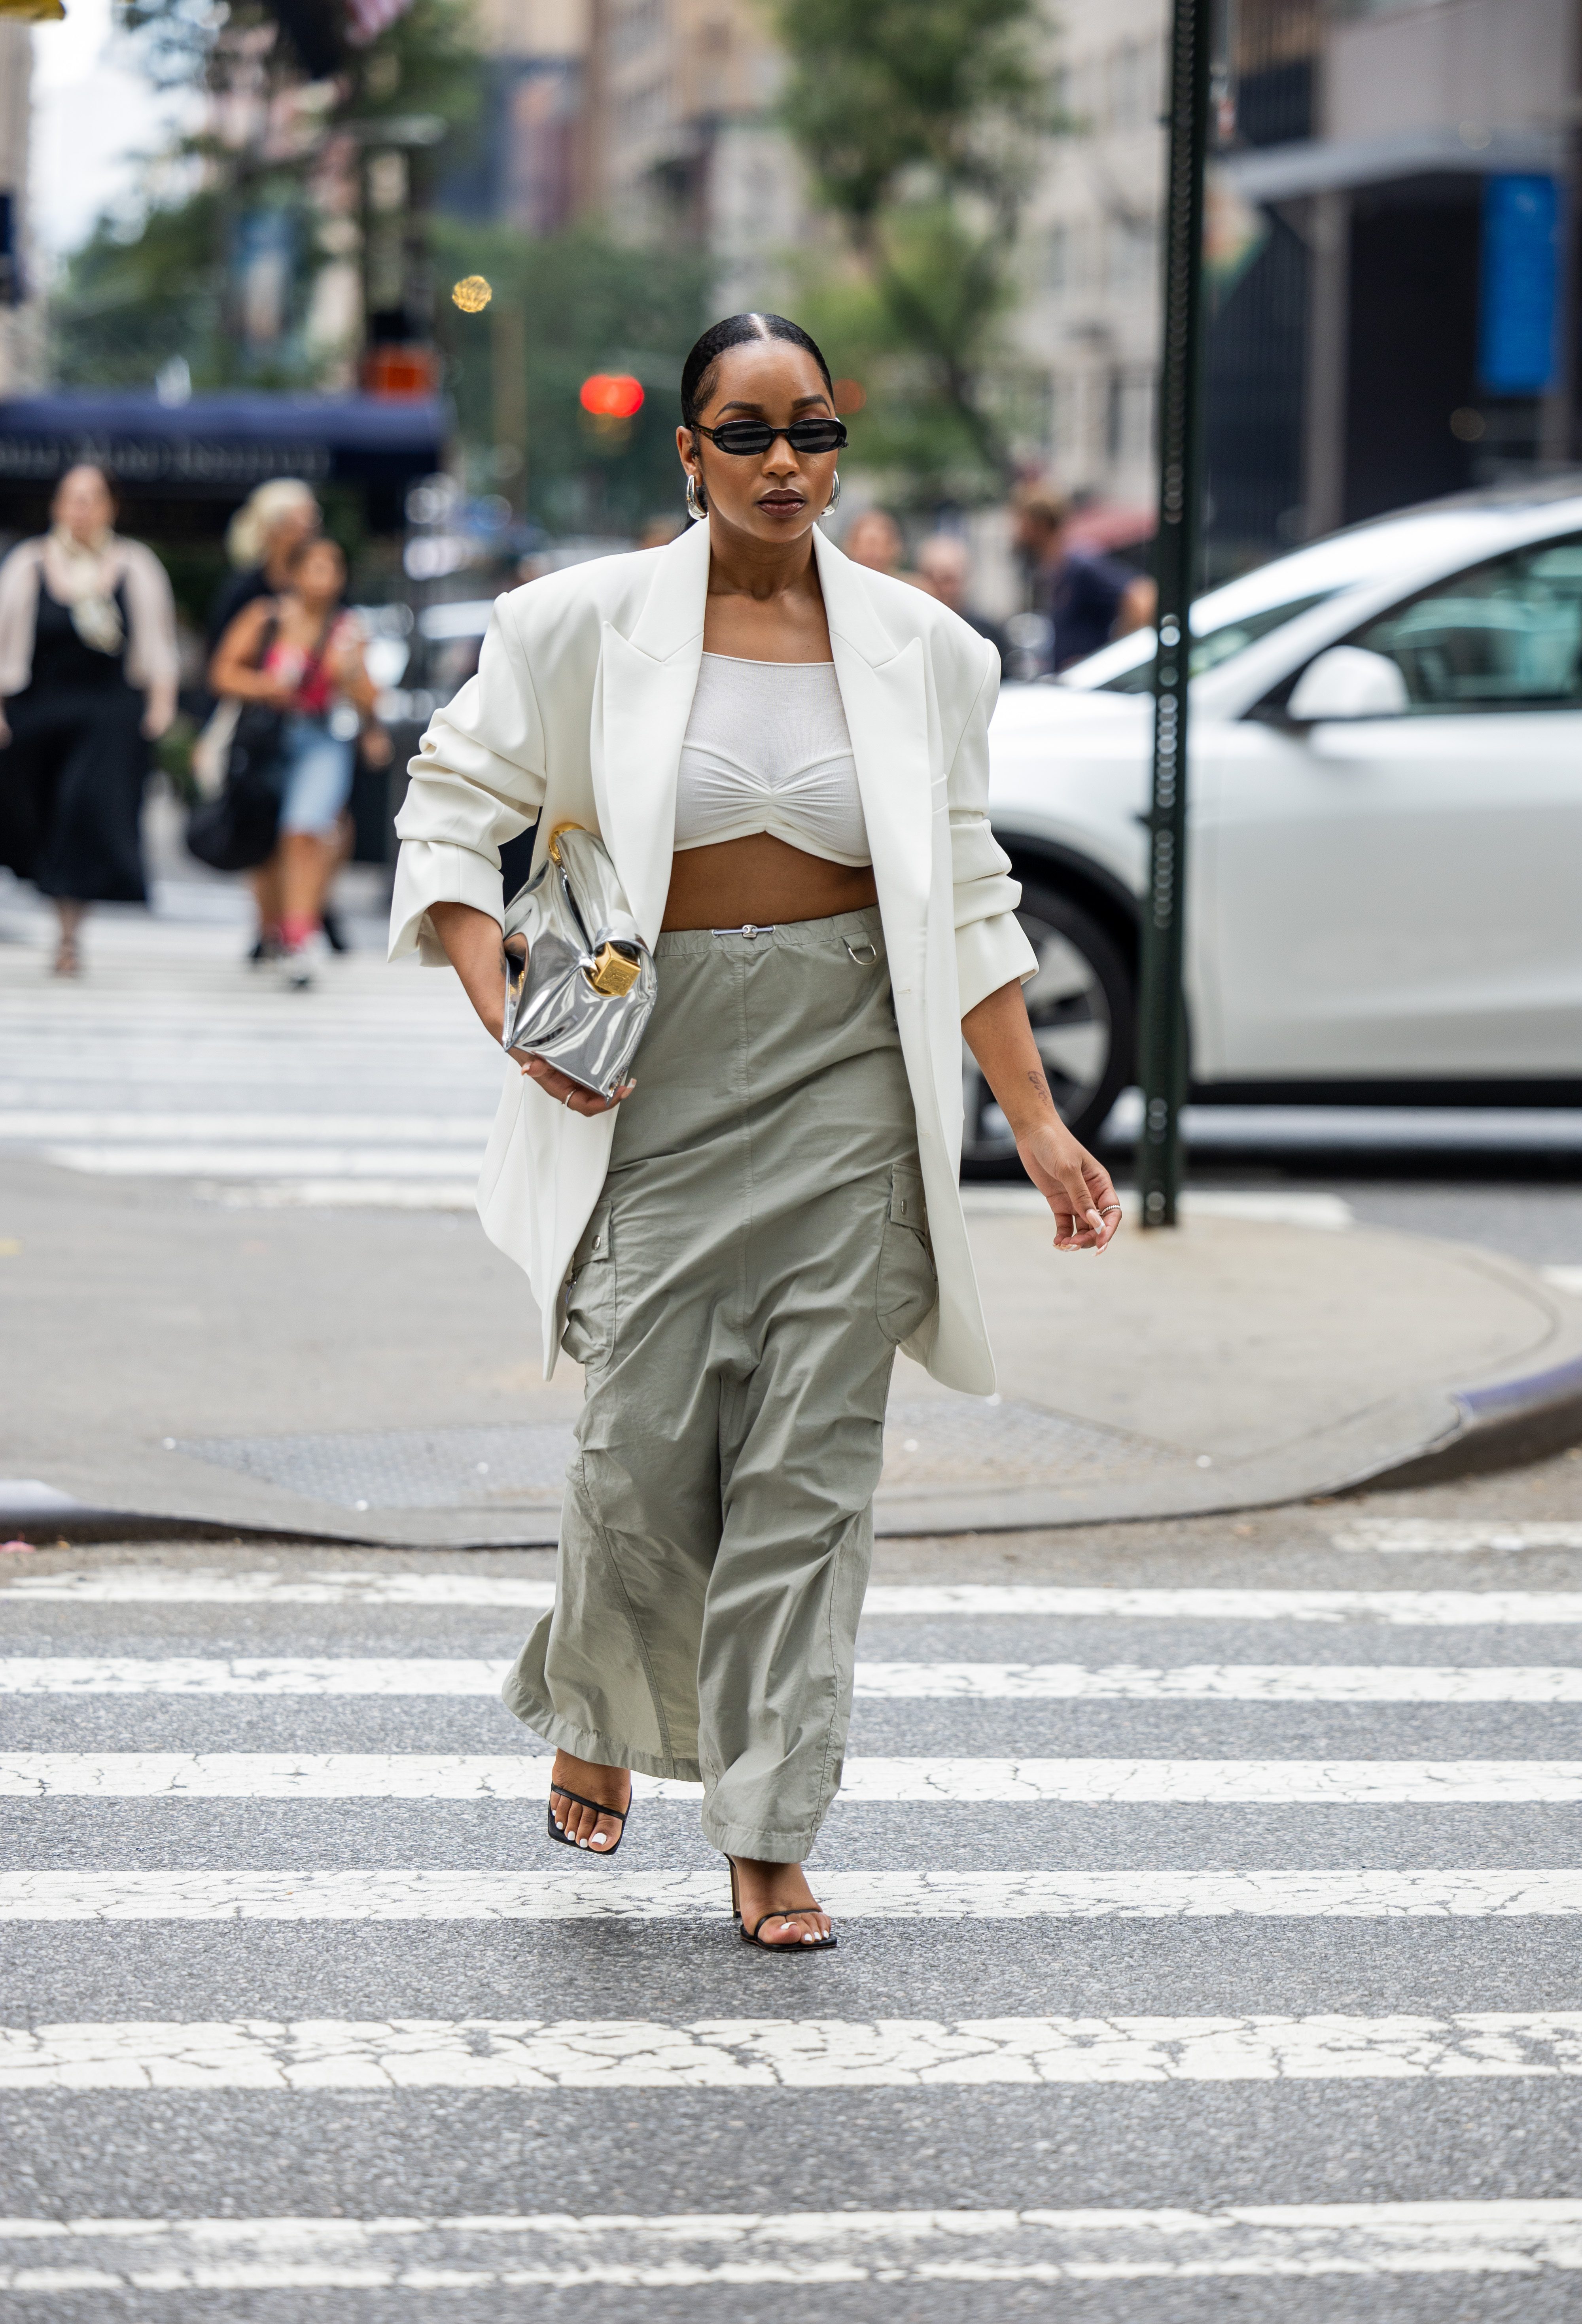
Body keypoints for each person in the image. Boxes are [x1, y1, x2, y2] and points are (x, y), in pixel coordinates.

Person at [390, 311, 1122, 1950]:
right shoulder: (577, 623)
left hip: (850, 1061)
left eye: (812, 431)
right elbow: (451, 803)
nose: (786, 463)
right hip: (652, 1058)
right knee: (642, 1440)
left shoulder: (929, 649)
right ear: (688, 450)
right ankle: (598, 1690)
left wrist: (1042, 1124)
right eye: (747, 432)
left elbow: (974, 899)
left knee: (810, 1463)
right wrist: (498, 993)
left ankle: (770, 1817)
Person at [0, 464, 178, 976]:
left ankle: (69, 935)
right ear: (58, 505)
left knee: (84, 814)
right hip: (38, 713)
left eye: (92, 498)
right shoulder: (29, 563)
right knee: (41, 817)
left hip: (107, 714)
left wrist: (160, 707)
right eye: (72, 498)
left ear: (110, 507)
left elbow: (157, 643)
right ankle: (54, 904)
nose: (81, 508)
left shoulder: (134, 564)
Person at [210, 534, 388, 989]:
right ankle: (271, 928)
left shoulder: (348, 630)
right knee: (269, 838)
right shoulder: (266, 618)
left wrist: (351, 676)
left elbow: (370, 700)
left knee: (305, 831)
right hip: (268, 737)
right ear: (295, 572)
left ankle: (299, 934)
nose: (323, 578)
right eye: (315, 567)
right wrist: (266, 685)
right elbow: (223, 672)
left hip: (322, 737)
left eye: (333, 568)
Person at [1013, 482, 1156, 673]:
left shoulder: (1080, 566)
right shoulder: (1055, 571)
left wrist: (1109, 659)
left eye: (1019, 522)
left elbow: (1142, 597)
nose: (1015, 531)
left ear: (1038, 525)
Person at [915, 533, 1010, 660]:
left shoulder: (986, 635)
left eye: (948, 579)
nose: (942, 589)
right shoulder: (909, 630)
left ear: (965, 578)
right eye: (932, 578)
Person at [840, 507, 906, 579]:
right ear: (853, 547)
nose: (872, 554)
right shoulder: (839, 580)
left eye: (877, 544)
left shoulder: (904, 587)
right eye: (868, 544)